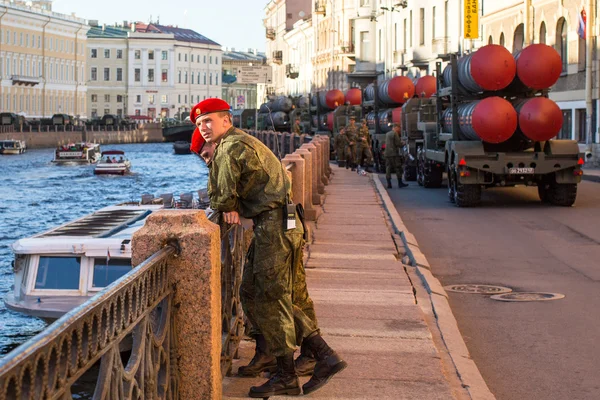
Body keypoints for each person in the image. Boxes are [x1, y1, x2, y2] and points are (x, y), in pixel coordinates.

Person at [192, 98, 347, 398]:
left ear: (226, 120)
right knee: (268, 292)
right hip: (286, 221)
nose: (204, 128)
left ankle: (297, 369)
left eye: (209, 121)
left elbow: (221, 199)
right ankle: (306, 357)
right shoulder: (242, 142)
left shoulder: (229, 148)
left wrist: (230, 204)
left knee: (270, 297)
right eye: (199, 124)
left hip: (272, 226)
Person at [384, 123, 408, 188]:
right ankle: (400, 183)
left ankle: (389, 184)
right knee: (397, 167)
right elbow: (398, 144)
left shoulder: (387, 134)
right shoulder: (395, 134)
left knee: (388, 168)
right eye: (398, 128)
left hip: (387, 153)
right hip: (394, 154)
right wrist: (403, 143)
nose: (399, 129)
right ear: (396, 127)